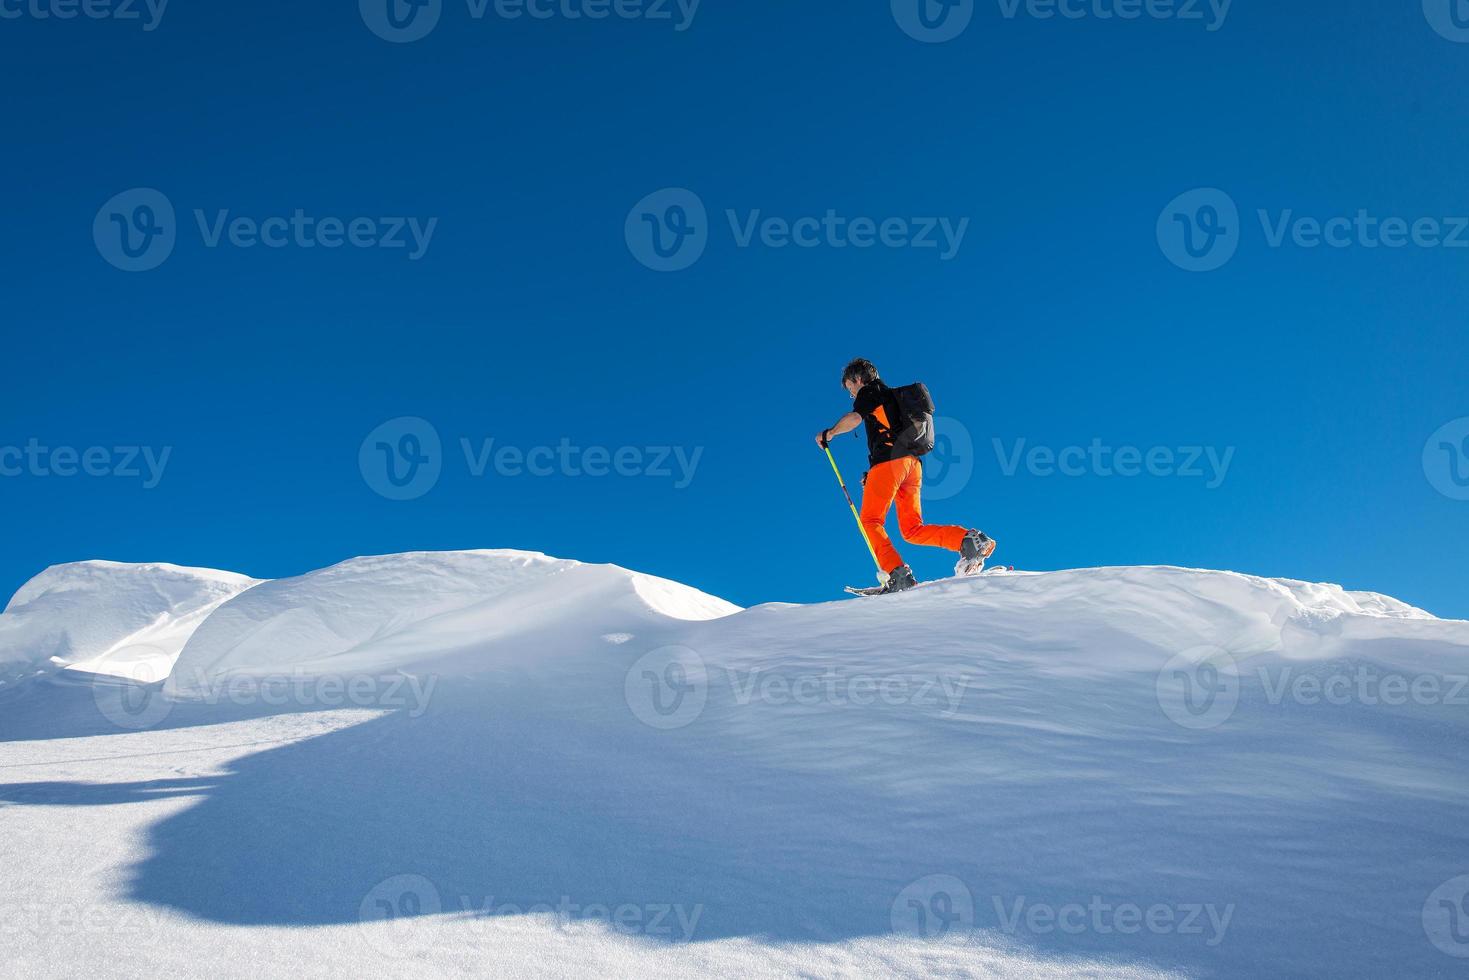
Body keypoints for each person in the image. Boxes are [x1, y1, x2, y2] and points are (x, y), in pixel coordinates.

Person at [816, 358, 996, 594]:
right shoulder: (891, 397)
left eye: (850, 389)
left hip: (890, 465)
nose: (852, 395)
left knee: (871, 521)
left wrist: (829, 433)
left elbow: (854, 419)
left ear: (857, 379)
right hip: (911, 466)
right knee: (912, 529)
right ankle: (969, 541)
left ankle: (898, 574)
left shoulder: (869, 391)